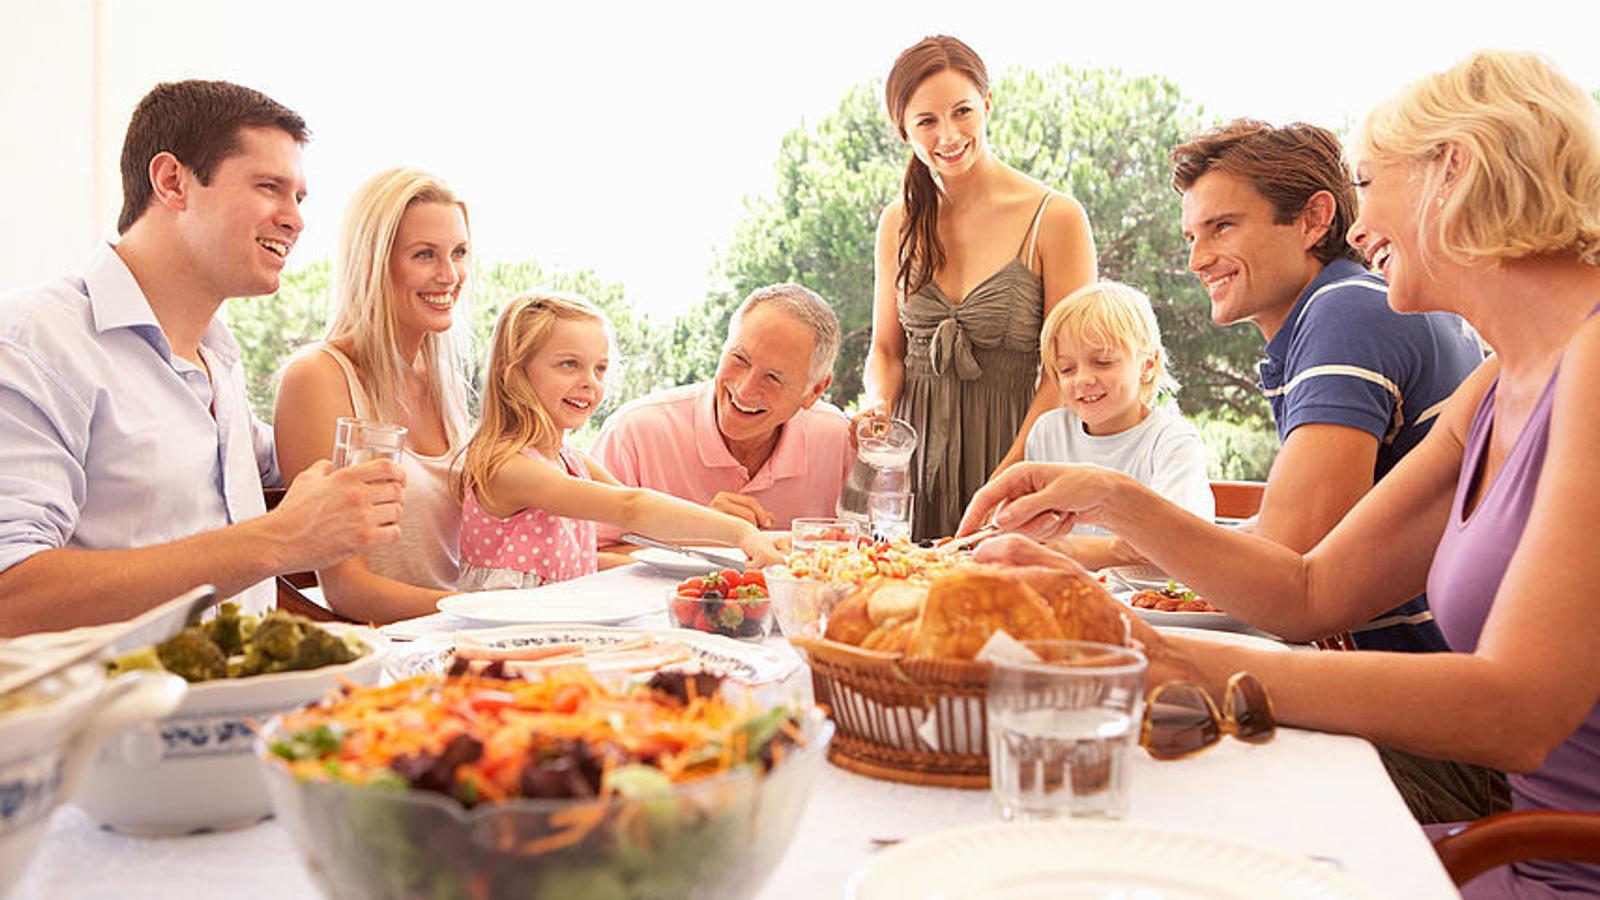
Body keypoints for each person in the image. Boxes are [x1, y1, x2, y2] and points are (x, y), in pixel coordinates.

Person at [963, 49, 1600, 897]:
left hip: (1543, 862)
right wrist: (1103, 496)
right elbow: (1308, 590)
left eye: (1370, 181)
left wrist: (1159, 656)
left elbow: (1518, 713)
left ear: (1458, 171)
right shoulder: (1500, 376)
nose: (1358, 223)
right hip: (1507, 840)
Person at [0, 80, 403, 636]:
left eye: (299, 198)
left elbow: (288, 464)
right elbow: (11, 595)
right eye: (269, 187)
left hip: (249, 710)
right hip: (115, 721)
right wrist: (279, 539)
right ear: (172, 183)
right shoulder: (32, 344)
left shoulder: (216, 354)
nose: (296, 219)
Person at [1161, 118, 1483, 652]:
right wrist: (1101, 551)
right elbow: (1278, 534)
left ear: (1313, 220)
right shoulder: (1335, 313)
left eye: (1223, 227)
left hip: (1423, 684)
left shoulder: (1348, 311)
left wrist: (1108, 501)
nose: (1197, 260)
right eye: (1192, 237)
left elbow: (1287, 563)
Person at [862, 34, 1097, 541]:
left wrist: (1006, 480)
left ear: (988, 104)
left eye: (962, 111)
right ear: (904, 131)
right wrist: (877, 407)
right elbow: (886, 350)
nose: (948, 135)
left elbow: (1064, 375)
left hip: (1019, 453)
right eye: (926, 121)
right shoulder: (896, 224)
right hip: (911, 468)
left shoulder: (1055, 218)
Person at [457, 293, 782, 591]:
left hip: (554, 627)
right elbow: (631, 507)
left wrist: (757, 545)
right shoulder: (508, 467)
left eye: (600, 369)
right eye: (569, 364)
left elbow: (650, 525)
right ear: (510, 373)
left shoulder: (572, 461)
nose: (590, 383)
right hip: (499, 639)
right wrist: (742, 533)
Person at [274, 168, 471, 623]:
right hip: (396, 648)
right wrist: (489, 612)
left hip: (464, 633)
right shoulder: (318, 378)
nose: (449, 275)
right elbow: (348, 589)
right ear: (373, 262)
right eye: (424, 255)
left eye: (459, 253)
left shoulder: (446, 384)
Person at [590, 283, 852, 544]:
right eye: (740, 359)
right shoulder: (634, 433)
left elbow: (873, 551)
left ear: (814, 391)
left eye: (773, 377)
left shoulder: (839, 440)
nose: (745, 390)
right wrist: (697, 533)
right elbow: (588, 559)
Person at [1023, 280, 1212, 535]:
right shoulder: (1048, 432)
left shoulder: (1172, 442)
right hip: (1062, 575)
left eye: (1103, 362)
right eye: (1067, 369)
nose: (1083, 379)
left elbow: (1181, 543)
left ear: (1147, 365)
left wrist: (1068, 552)